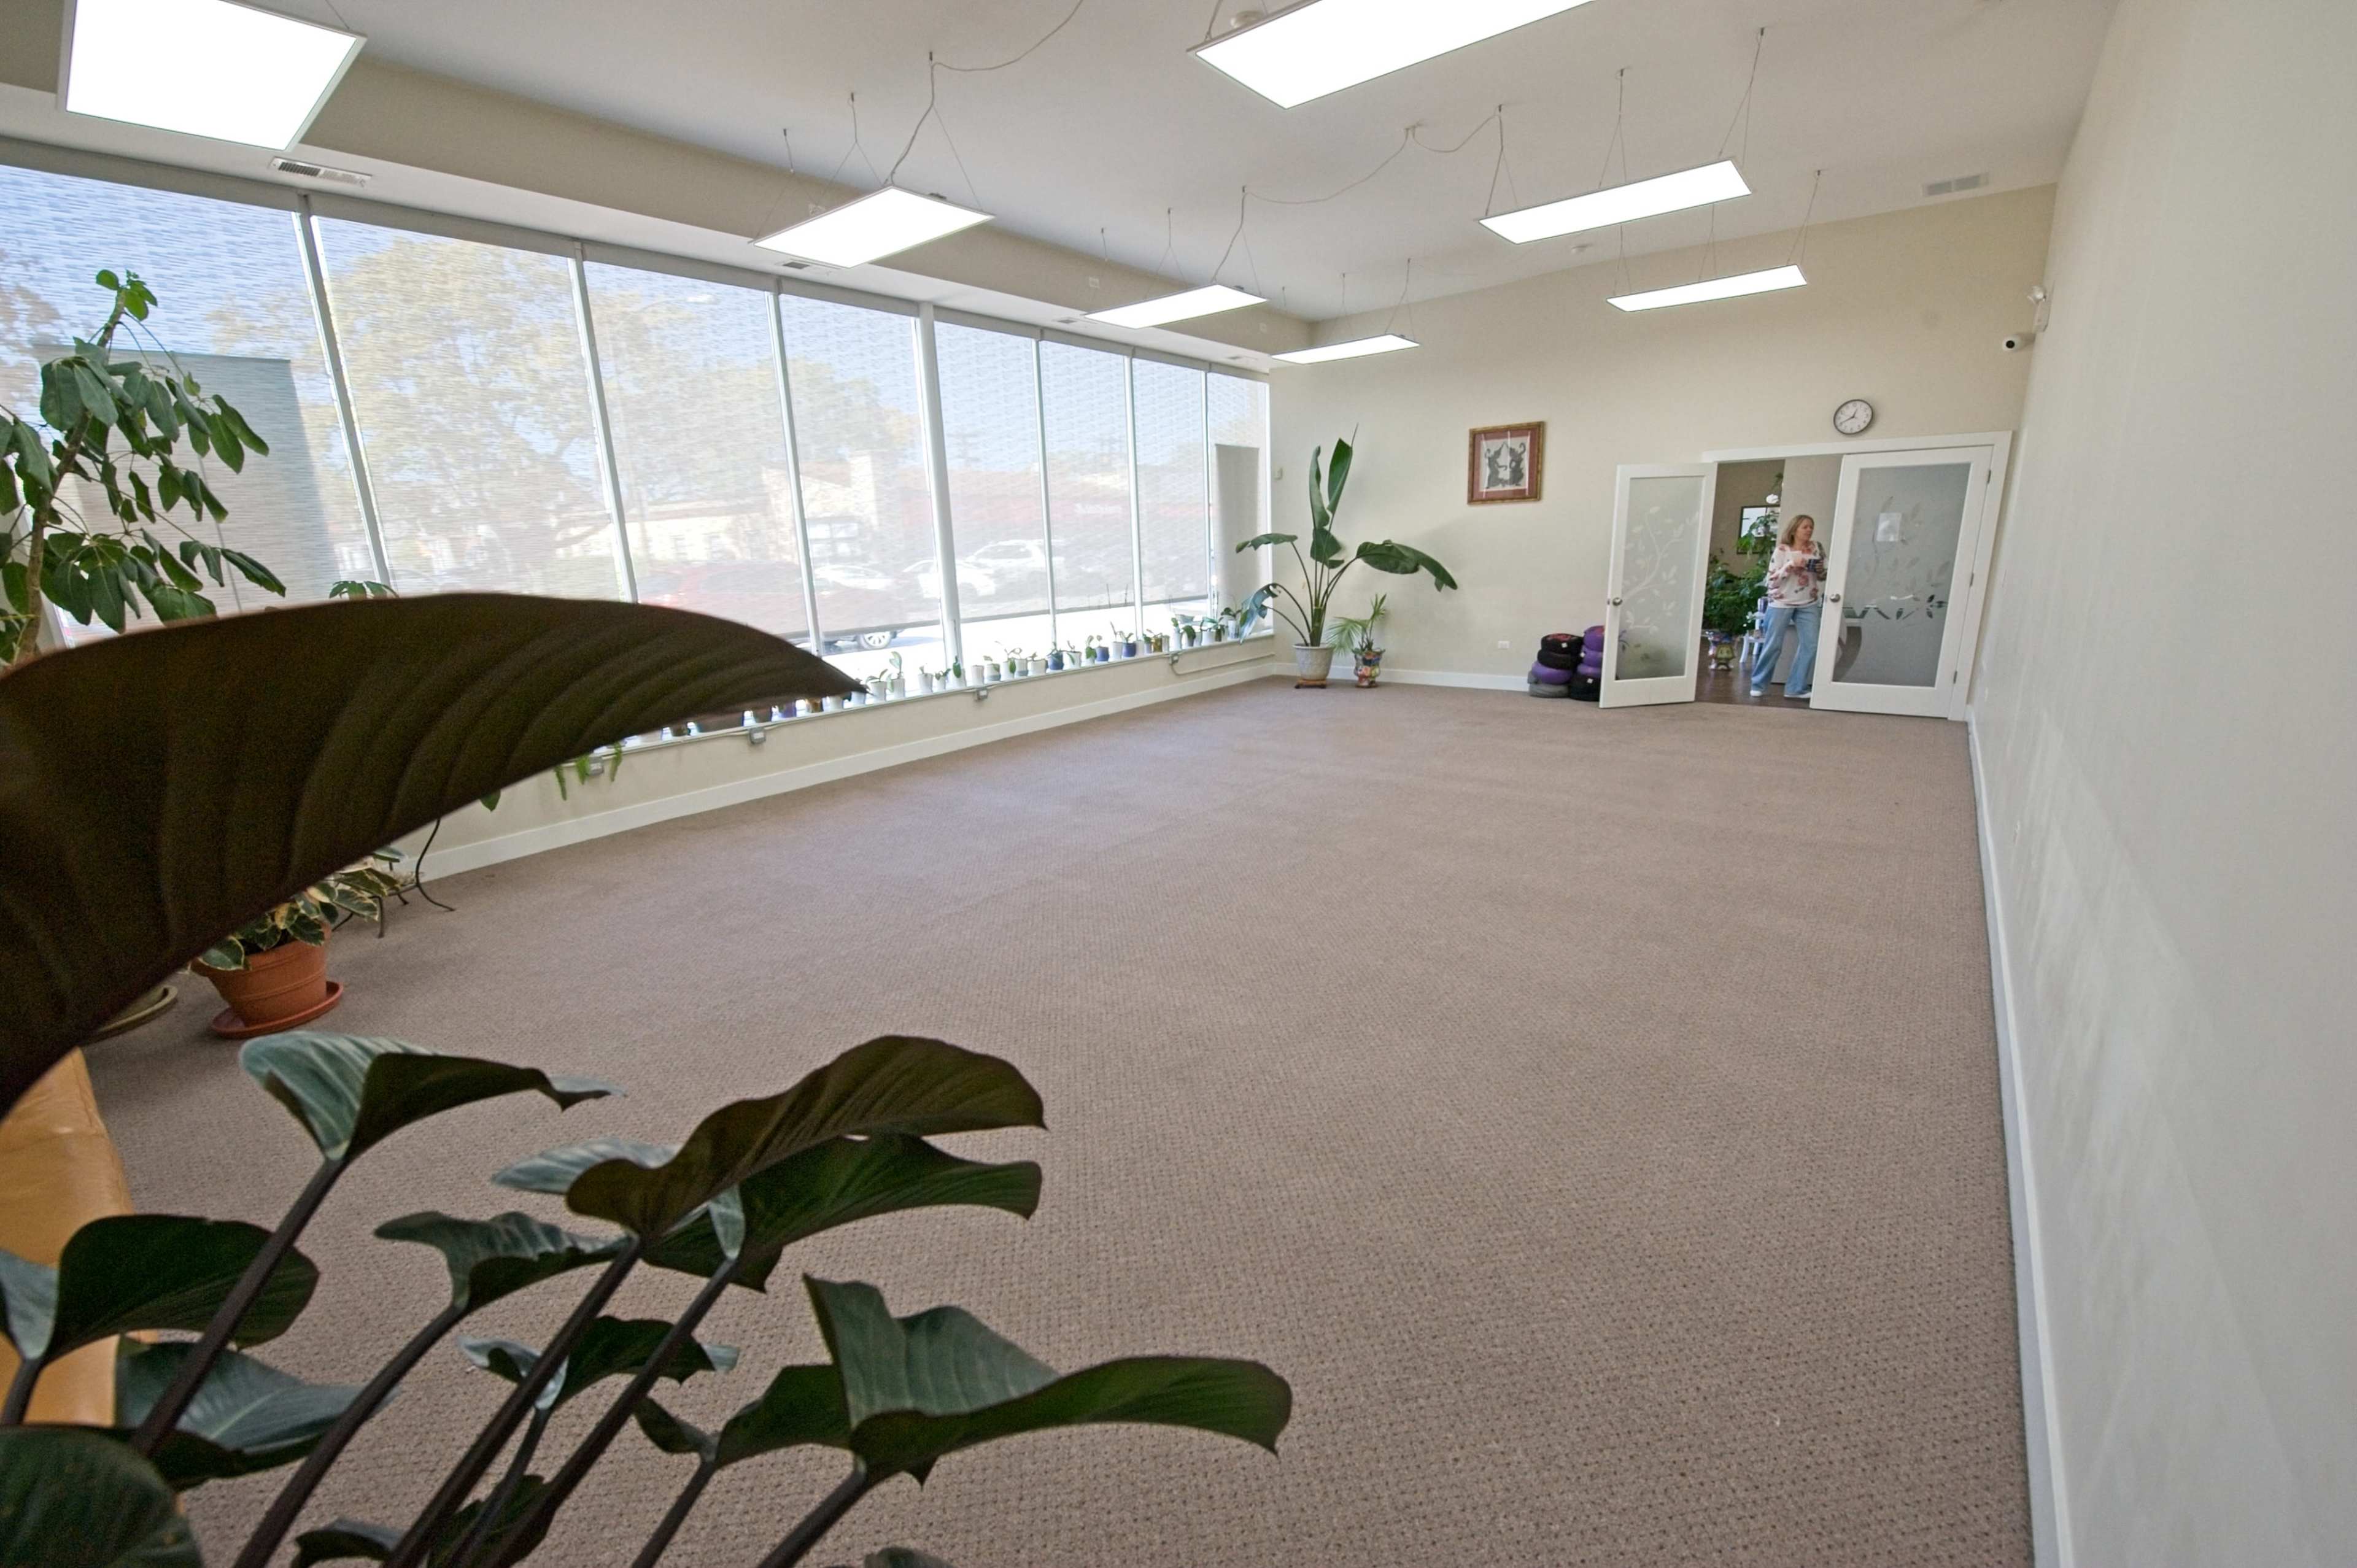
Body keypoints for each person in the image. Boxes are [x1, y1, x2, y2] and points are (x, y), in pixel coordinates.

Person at [1750, 513, 1825, 698]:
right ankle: (1758, 684)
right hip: (1781, 602)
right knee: (1773, 645)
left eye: (1811, 526)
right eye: (1805, 527)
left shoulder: (1816, 548)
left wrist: (1821, 569)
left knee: (1811, 645)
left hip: (1809, 602)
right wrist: (1790, 566)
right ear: (1795, 530)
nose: (1809, 530)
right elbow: (1772, 581)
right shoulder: (1782, 551)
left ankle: (1796, 688)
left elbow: (1823, 576)